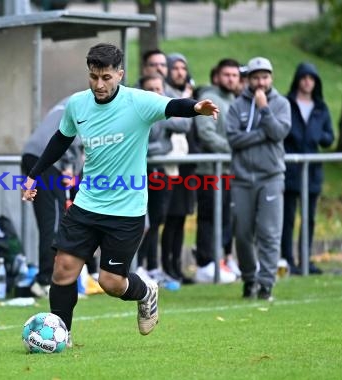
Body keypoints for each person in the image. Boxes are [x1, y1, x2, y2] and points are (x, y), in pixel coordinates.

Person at [21, 43, 219, 341]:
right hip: (87, 204)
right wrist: (33, 176)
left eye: (106, 77)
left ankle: (146, 292)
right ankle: (61, 335)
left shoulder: (138, 102)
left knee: (111, 283)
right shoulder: (78, 104)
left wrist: (195, 108)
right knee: (62, 270)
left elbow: (172, 105)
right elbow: (61, 140)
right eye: (93, 77)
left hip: (126, 210)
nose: (99, 84)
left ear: (120, 74)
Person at [226, 57, 291, 301]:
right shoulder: (236, 106)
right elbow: (233, 140)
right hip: (242, 178)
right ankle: (249, 277)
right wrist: (261, 134)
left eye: (264, 77)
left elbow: (278, 132)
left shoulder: (281, 104)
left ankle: (266, 284)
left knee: (269, 232)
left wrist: (264, 110)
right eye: (255, 77)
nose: (260, 82)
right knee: (242, 234)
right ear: (249, 80)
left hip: (271, 177)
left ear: (271, 78)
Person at [22, 98, 99, 297]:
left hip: (32, 154)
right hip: (48, 159)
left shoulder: (69, 101)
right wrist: (68, 165)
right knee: (54, 220)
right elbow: (69, 134)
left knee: (50, 219)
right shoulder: (87, 105)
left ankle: (48, 278)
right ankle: (45, 280)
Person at [136, 73, 191, 283]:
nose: (156, 94)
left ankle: (150, 267)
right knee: (142, 222)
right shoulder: (138, 114)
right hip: (138, 176)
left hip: (160, 174)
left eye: (159, 89)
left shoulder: (164, 111)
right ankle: (137, 265)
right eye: (151, 89)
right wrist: (164, 147)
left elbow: (185, 125)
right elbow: (137, 147)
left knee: (157, 220)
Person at [282, 62, 334, 275]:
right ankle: (287, 259)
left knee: (309, 217)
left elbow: (329, 138)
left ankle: (306, 259)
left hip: (312, 170)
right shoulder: (287, 103)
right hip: (290, 168)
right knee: (287, 217)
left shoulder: (321, 108)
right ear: (297, 80)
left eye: (311, 78)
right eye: (304, 78)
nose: (307, 82)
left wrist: (318, 136)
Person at [194, 58, 242, 284]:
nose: (231, 79)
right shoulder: (211, 99)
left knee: (224, 218)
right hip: (209, 172)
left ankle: (219, 260)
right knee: (209, 218)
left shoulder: (234, 100)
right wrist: (234, 148)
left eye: (235, 75)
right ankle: (205, 264)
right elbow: (206, 133)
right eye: (227, 75)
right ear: (216, 76)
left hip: (228, 171)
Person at [160, 53, 196, 283]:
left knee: (180, 218)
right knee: (166, 219)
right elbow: (182, 122)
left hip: (185, 166)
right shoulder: (165, 95)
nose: (180, 72)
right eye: (176, 68)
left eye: (184, 67)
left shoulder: (192, 94)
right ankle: (164, 266)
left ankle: (176, 266)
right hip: (166, 166)